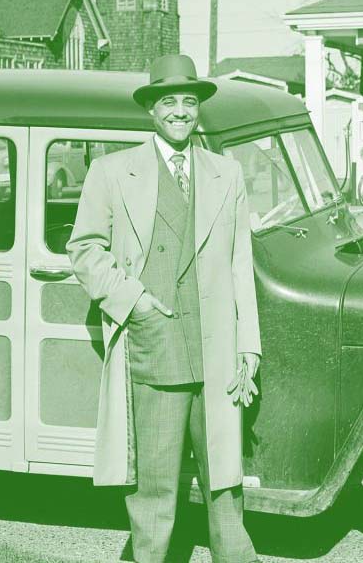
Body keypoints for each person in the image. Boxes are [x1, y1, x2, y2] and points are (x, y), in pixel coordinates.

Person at [66, 54, 261, 563]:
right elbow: (84, 250)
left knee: (225, 480)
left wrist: (249, 347)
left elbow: (242, 262)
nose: (180, 111)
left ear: (198, 110)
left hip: (217, 352)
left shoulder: (227, 173)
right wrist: (135, 303)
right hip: (154, 347)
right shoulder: (111, 171)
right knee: (154, 488)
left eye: (189, 102)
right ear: (151, 110)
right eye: (168, 101)